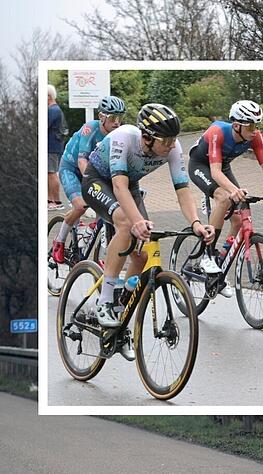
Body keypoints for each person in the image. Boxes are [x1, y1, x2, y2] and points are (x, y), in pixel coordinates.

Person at [83, 103, 215, 360]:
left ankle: (119, 316)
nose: (171, 145)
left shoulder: (172, 148)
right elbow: (119, 188)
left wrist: (197, 223)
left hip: (128, 184)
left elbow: (182, 190)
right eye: (165, 140)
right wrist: (136, 221)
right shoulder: (124, 139)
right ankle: (105, 301)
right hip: (98, 180)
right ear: (146, 137)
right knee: (125, 223)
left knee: (141, 257)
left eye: (173, 139)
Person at [188, 100, 263, 297]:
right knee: (224, 198)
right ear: (236, 125)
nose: (254, 130)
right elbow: (215, 172)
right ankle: (207, 255)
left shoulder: (254, 137)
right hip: (201, 165)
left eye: (257, 125)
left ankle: (219, 265)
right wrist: (233, 190)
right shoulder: (218, 132)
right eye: (250, 125)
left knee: (236, 219)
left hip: (222, 166)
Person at [51, 96, 126, 264]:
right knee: (81, 205)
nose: (117, 123)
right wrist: (93, 183)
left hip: (94, 172)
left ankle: (93, 236)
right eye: (113, 118)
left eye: (120, 118)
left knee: (109, 206)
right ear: (101, 117)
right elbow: (82, 160)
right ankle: (59, 241)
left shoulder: (119, 135)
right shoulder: (89, 128)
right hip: (71, 168)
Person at [47, 85, 67, 210]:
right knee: (49, 173)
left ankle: (57, 201)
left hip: (52, 146)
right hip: (53, 145)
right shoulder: (55, 109)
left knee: (52, 173)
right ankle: (50, 201)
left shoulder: (52, 110)